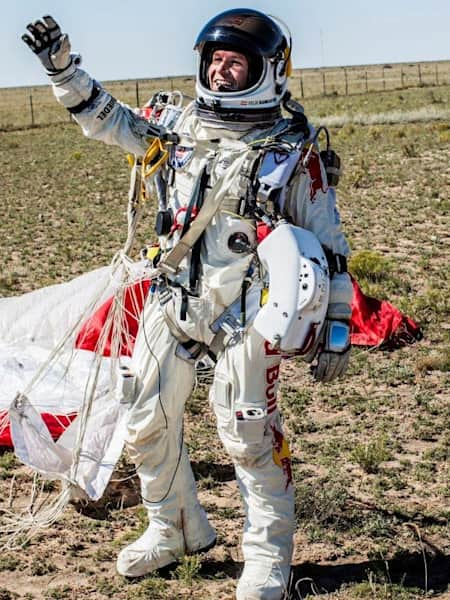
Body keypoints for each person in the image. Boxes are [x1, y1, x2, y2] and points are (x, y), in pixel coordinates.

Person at [22, 9, 353, 600]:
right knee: (145, 418)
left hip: (248, 309)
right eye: (216, 61)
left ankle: (266, 557)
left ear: (267, 72)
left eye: (236, 64)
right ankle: (174, 528)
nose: (223, 73)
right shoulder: (174, 127)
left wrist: (336, 325)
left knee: (248, 432)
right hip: (174, 295)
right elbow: (108, 120)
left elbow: (329, 243)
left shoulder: (289, 151)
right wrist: (64, 71)